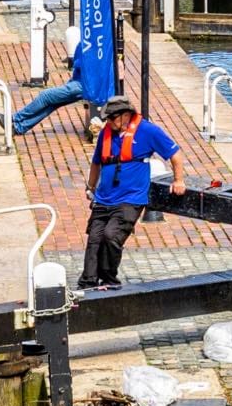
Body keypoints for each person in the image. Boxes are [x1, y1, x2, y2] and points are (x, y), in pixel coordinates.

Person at [78, 93, 182, 290]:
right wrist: (90, 187)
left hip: (131, 198)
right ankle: (88, 283)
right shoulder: (106, 133)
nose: (107, 122)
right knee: (94, 238)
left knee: (111, 236)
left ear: (125, 115)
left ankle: (109, 280)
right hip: (104, 197)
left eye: (111, 118)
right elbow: (96, 162)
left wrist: (178, 180)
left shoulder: (148, 131)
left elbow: (175, 155)